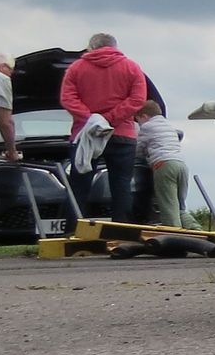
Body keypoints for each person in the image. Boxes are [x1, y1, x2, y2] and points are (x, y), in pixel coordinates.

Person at [59, 32, 148, 222]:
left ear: (90, 48)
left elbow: (67, 98)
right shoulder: (132, 67)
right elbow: (138, 99)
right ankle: (121, 230)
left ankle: (73, 230)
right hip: (122, 134)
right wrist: (109, 118)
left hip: (86, 135)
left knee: (79, 185)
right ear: (115, 47)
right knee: (121, 186)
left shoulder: (76, 68)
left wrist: (91, 119)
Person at [135, 100, 191, 228]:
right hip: (181, 165)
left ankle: (173, 233)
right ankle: (194, 229)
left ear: (144, 116)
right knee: (180, 206)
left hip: (164, 165)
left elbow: (138, 149)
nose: (139, 123)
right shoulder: (168, 126)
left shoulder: (147, 127)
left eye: (138, 119)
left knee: (168, 205)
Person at [0, 51, 20, 164]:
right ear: (2, 67)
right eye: (11, 69)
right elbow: (5, 122)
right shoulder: (1, 79)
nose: (12, 73)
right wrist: (12, 152)